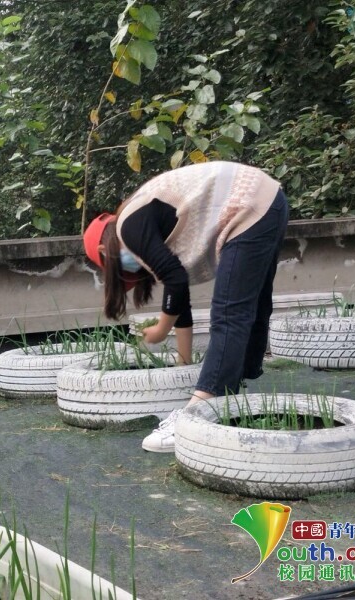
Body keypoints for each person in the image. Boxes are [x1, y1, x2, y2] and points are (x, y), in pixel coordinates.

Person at [82, 161, 288, 452]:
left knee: (229, 312)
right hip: (269, 200)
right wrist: (184, 358)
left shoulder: (129, 227)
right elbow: (179, 297)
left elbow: (176, 281)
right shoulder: (147, 226)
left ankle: (196, 415)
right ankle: (231, 394)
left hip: (249, 204)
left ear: (105, 251)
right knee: (252, 303)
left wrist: (160, 329)